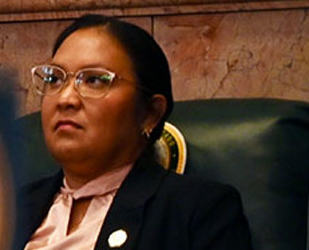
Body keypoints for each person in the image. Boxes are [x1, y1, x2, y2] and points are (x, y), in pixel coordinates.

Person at [17, 14, 253, 250]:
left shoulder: (198, 211)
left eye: (95, 80)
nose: (65, 99)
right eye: (55, 79)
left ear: (150, 113)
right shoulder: (7, 208)